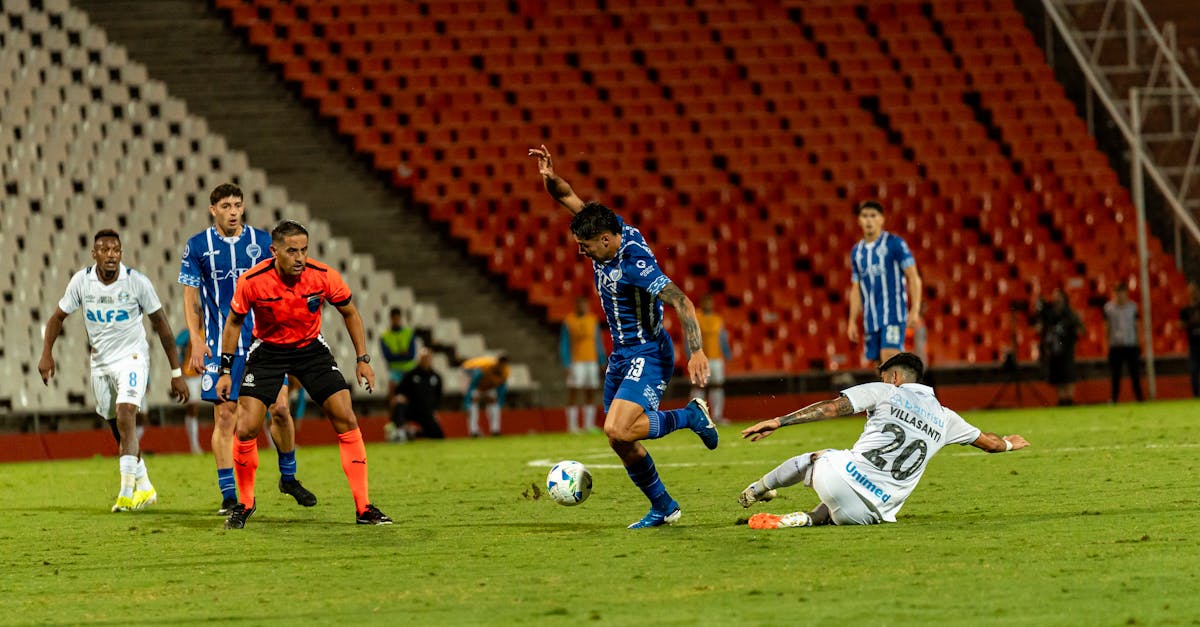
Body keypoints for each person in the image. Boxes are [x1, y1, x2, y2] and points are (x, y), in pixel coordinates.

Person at [530, 144, 717, 529]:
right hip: (621, 354)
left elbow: (682, 301)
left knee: (616, 427)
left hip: (648, 352)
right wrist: (551, 179)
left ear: (605, 241)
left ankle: (691, 416)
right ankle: (663, 506)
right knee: (619, 440)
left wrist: (695, 352)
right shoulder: (604, 226)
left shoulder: (634, 264)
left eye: (585, 247)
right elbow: (567, 197)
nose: (581, 252)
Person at [216, 219, 391, 528]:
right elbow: (233, 323)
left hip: (310, 348)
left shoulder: (323, 276)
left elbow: (350, 312)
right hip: (268, 350)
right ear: (274, 251)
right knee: (246, 427)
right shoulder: (253, 281)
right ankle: (244, 504)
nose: (299, 258)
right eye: (292, 251)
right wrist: (226, 370)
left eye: (304, 250)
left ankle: (364, 508)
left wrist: (363, 358)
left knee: (346, 417)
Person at [737, 352, 1030, 529]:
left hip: (839, 479)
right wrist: (1006, 444)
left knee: (818, 457)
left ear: (894, 376)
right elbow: (989, 444)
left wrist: (780, 421)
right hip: (873, 512)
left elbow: (831, 408)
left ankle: (755, 490)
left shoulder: (885, 391)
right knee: (846, 498)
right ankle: (810, 518)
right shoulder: (947, 418)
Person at [179, 183, 316, 514]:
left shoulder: (260, 243)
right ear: (213, 210)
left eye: (237, 205)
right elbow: (191, 296)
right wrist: (196, 338)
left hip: (264, 344)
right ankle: (229, 495)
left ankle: (288, 476)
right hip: (220, 345)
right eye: (226, 205)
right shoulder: (198, 246)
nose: (233, 211)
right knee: (226, 418)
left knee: (281, 409)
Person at [38, 229, 190, 512]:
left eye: (116, 250)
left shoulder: (136, 282)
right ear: (94, 254)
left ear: (121, 253)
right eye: (105, 250)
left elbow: (162, 327)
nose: (111, 255)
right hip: (100, 363)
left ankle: (126, 493)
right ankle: (145, 487)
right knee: (116, 424)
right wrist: (47, 353)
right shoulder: (82, 281)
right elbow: (57, 317)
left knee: (125, 413)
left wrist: (176, 373)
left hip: (132, 357)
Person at [847, 200, 923, 366]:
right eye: (864, 216)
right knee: (878, 365)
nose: (868, 220)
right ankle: (891, 392)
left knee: (890, 358)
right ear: (859, 220)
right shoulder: (856, 252)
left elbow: (914, 276)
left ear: (881, 219)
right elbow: (856, 288)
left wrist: (915, 308)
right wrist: (852, 320)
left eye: (873, 216)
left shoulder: (894, 244)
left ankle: (904, 392)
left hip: (893, 313)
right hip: (870, 318)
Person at [1032, 289, 1084, 406]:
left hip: (1067, 348)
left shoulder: (1070, 313)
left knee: (1068, 375)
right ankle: (1061, 399)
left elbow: (1080, 329)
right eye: (1055, 297)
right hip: (1053, 349)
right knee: (1057, 376)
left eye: (1059, 297)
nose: (1056, 299)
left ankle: (1069, 399)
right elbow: (1039, 327)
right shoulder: (1049, 313)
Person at [560, 296, 605, 433]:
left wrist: (602, 360)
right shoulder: (569, 321)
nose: (584, 308)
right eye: (581, 305)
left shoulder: (593, 320)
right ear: (576, 306)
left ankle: (588, 425)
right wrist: (566, 362)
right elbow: (564, 343)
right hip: (576, 362)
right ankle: (572, 426)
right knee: (574, 391)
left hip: (591, 361)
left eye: (585, 305)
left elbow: (598, 341)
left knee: (590, 391)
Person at [689, 294, 733, 424]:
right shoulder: (696, 317)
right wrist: (690, 354)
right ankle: (696, 417)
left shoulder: (718, 319)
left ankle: (717, 416)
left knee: (717, 387)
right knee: (699, 386)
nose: (708, 305)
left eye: (710, 302)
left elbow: (722, 337)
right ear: (701, 303)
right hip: (701, 358)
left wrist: (727, 353)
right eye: (706, 302)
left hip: (716, 358)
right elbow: (690, 336)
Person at [381, 307, 421, 429]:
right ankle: (394, 423)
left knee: (415, 396)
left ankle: (416, 421)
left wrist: (396, 355)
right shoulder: (385, 336)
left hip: (410, 370)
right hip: (395, 371)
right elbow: (388, 357)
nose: (396, 320)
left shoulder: (409, 333)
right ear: (391, 319)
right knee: (392, 394)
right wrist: (402, 354)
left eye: (398, 318)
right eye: (394, 318)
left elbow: (411, 355)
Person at [393, 348, 445, 440]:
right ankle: (401, 431)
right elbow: (399, 391)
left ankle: (415, 433)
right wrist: (400, 397)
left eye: (427, 358)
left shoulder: (436, 377)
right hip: (412, 408)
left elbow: (438, 396)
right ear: (419, 359)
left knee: (438, 435)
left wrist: (435, 410)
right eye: (423, 358)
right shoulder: (410, 374)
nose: (425, 360)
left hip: (427, 411)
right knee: (399, 405)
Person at [1104, 282, 1143, 403]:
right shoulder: (1109, 308)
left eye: (1122, 292)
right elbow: (1106, 327)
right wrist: (1106, 343)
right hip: (1115, 345)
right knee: (1115, 374)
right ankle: (1114, 398)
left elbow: (1137, 325)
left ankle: (1139, 397)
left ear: (1126, 293)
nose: (1120, 295)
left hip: (1130, 344)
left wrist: (1139, 341)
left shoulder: (1133, 307)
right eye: (1117, 293)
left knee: (1135, 373)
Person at [461, 354, 510, 437]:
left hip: (489, 386)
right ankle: (473, 431)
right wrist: (468, 401)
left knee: (494, 402)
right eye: (500, 365)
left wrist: (500, 403)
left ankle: (495, 430)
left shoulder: (505, 372)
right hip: (472, 378)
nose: (501, 367)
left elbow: (502, 388)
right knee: (473, 402)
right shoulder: (484, 368)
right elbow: (472, 384)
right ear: (497, 363)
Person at [174, 327, 204, 454]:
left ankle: (194, 445)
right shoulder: (187, 333)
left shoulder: (207, 331)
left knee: (195, 409)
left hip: (203, 373)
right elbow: (176, 346)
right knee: (193, 407)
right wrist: (179, 365)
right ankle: (194, 445)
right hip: (189, 373)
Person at [1181, 282, 1200, 397]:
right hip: (1193, 345)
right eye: (1191, 292)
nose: (1193, 294)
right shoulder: (1185, 310)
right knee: (1194, 371)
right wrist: (1192, 321)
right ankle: (1196, 396)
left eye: (1195, 291)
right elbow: (1180, 325)